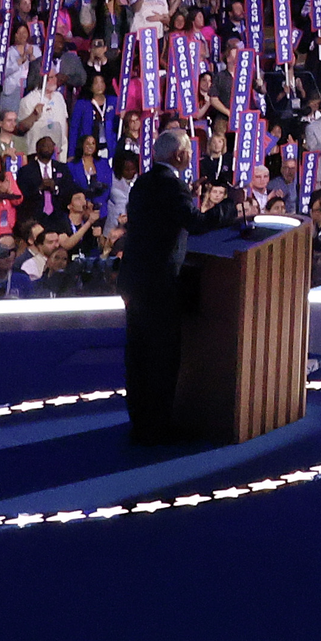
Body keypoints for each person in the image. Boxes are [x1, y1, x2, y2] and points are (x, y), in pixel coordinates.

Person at [122, 125, 212, 441]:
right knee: (162, 355)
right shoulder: (173, 188)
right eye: (189, 149)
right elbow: (196, 224)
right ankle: (158, 426)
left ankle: (140, 421)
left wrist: (189, 194)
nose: (191, 154)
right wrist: (232, 209)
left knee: (138, 353)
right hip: (161, 283)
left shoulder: (144, 183)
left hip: (135, 281)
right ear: (179, 154)